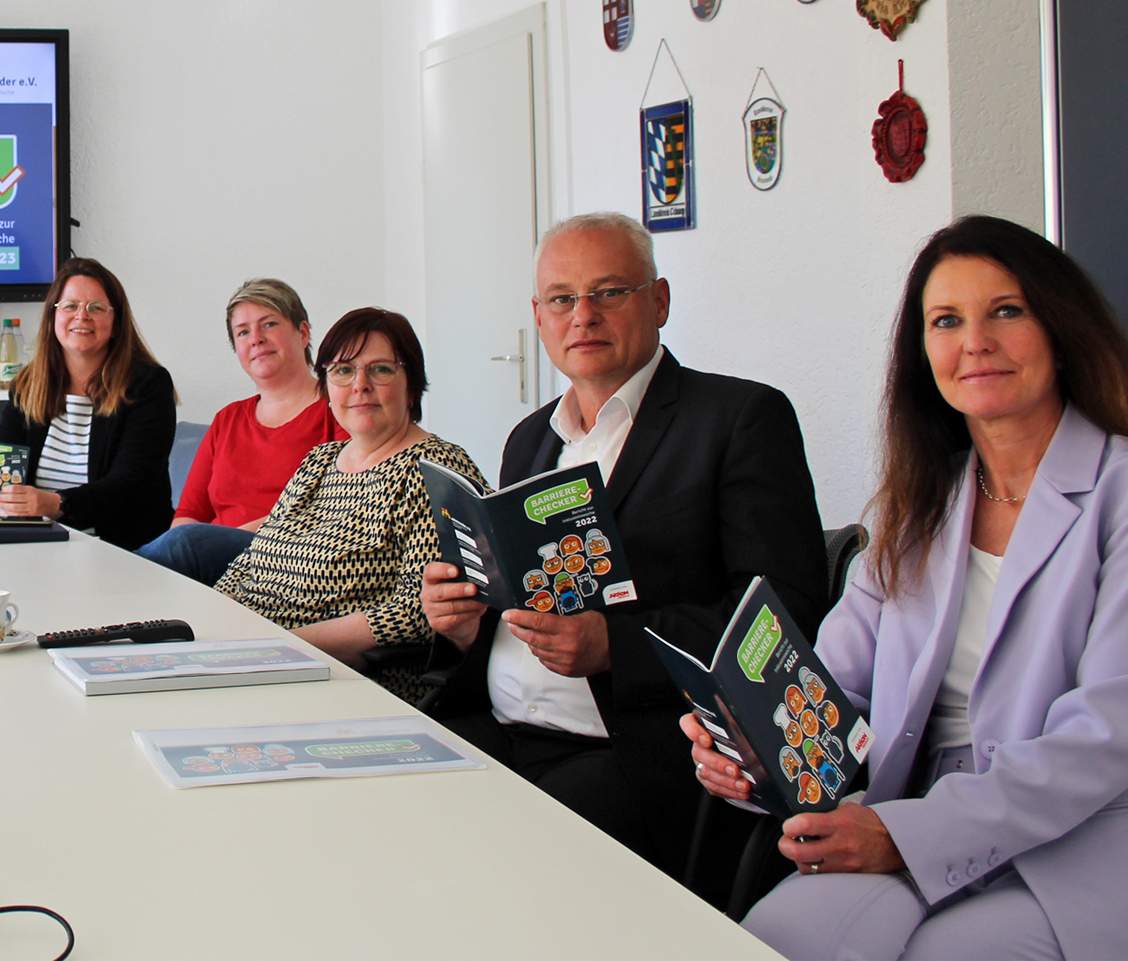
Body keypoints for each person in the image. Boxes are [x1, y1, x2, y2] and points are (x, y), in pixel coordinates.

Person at [686, 215, 1128, 959]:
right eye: (946, 320)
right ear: (923, 352)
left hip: (1102, 837)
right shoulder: (917, 508)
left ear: (1059, 328)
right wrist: (757, 751)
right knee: (782, 935)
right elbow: (833, 693)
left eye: (1005, 311)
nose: (974, 341)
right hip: (915, 814)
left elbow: (1108, 732)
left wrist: (906, 835)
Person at [418, 211, 829, 883]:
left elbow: (785, 612)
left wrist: (616, 646)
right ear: (539, 316)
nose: (583, 316)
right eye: (562, 299)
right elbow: (522, 595)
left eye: (609, 292)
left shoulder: (738, 419)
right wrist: (463, 625)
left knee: (488, 869)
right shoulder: (530, 439)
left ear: (659, 301)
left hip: (634, 751)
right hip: (495, 727)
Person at [214, 308, 485, 703]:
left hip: (341, 683)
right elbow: (250, 563)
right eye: (342, 370)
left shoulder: (436, 469)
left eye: (380, 370)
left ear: (412, 384)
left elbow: (417, 613)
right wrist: (212, 635)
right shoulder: (319, 461)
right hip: (255, 663)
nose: (360, 385)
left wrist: (279, 647)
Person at [0, 258, 177, 550]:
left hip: (121, 551)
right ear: (53, 317)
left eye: (96, 308)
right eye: (70, 306)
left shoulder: (147, 385)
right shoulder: (28, 384)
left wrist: (58, 504)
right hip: (37, 547)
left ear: (116, 324)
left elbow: (131, 485)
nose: (82, 316)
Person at [135, 279, 346, 585]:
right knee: (181, 542)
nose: (256, 339)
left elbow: (332, 508)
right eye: (243, 332)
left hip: (288, 559)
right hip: (207, 564)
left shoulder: (339, 410)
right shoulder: (228, 419)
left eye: (269, 324)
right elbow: (189, 513)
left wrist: (221, 541)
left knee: (183, 544)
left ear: (303, 333)